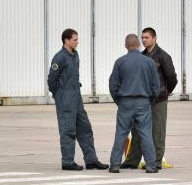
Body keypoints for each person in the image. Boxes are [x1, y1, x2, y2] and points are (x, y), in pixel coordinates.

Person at [47, 28, 108, 171]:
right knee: (68, 131)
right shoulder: (59, 57)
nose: (77, 42)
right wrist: (60, 95)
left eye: (77, 39)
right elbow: (51, 80)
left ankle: (91, 160)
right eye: (74, 40)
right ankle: (67, 161)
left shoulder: (75, 55)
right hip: (65, 99)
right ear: (66, 40)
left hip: (77, 98)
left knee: (85, 129)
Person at [121, 27, 178, 169]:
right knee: (137, 130)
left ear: (154, 38)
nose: (144, 40)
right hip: (144, 100)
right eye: (143, 38)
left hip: (159, 100)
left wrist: (166, 90)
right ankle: (132, 161)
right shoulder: (141, 56)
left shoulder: (164, 56)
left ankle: (156, 161)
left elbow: (172, 77)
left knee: (157, 132)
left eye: (147, 37)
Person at [108, 33, 159, 173]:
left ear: (125, 46)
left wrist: (119, 101)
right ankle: (150, 165)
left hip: (125, 102)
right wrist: (149, 101)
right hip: (143, 102)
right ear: (139, 45)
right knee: (146, 133)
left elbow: (113, 85)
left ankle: (114, 165)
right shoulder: (149, 62)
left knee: (121, 133)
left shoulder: (120, 62)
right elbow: (156, 86)